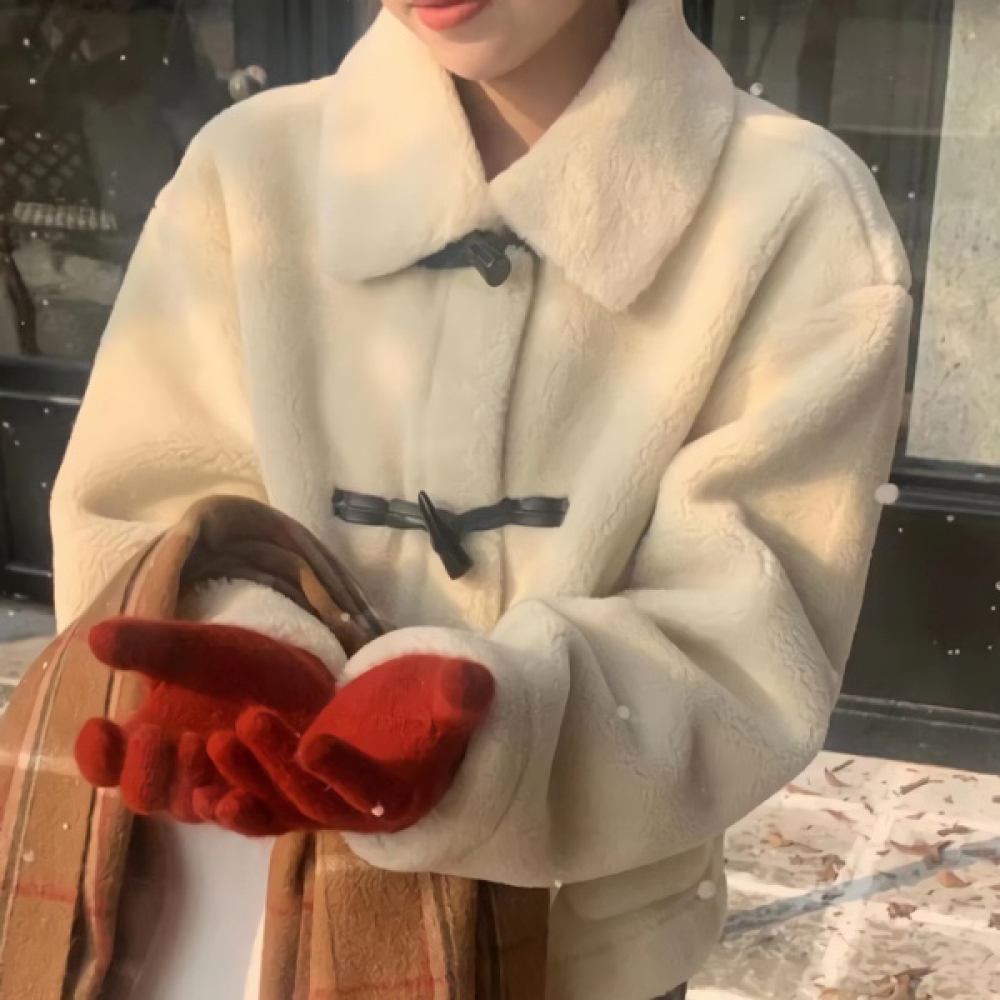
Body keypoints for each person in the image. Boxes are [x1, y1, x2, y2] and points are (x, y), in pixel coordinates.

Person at [50, 0, 912, 997]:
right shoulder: (247, 171)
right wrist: (248, 652)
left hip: (579, 951)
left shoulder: (792, 214)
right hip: (244, 924)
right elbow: (145, 506)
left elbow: (748, 642)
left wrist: (491, 742)